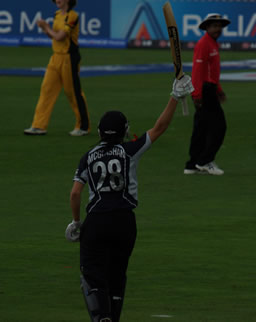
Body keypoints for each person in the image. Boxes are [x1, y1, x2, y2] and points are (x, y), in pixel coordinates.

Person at [65, 75, 193, 322]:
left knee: (92, 276)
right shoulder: (129, 151)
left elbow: (75, 193)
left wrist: (76, 222)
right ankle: (113, 317)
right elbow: (159, 128)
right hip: (125, 222)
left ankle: (101, 317)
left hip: (96, 221)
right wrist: (175, 97)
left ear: (101, 132)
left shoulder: (87, 157)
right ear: (123, 131)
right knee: (117, 274)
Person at [24, 0, 90, 136]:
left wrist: (45, 27)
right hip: (55, 57)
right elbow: (53, 36)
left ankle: (83, 126)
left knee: (72, 92)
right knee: (47, 89)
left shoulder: (72, 16)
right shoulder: (57, 14)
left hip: (69, 58)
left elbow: (60, 36)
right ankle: (39, 125)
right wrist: (45, 28)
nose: (57, 0)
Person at [184, 14, 230, 175]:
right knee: (219, 127)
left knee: (201, 128)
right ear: (207, 28)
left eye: (219, 26)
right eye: (214, 26)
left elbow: (212, 71)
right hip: (204, 91)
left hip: (210, 89)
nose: (218, 29)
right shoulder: (204, 44)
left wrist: (219, 89)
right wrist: (196, 94)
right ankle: (205, 161)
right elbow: (198, 71)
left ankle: (192, 164)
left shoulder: (213, 44)